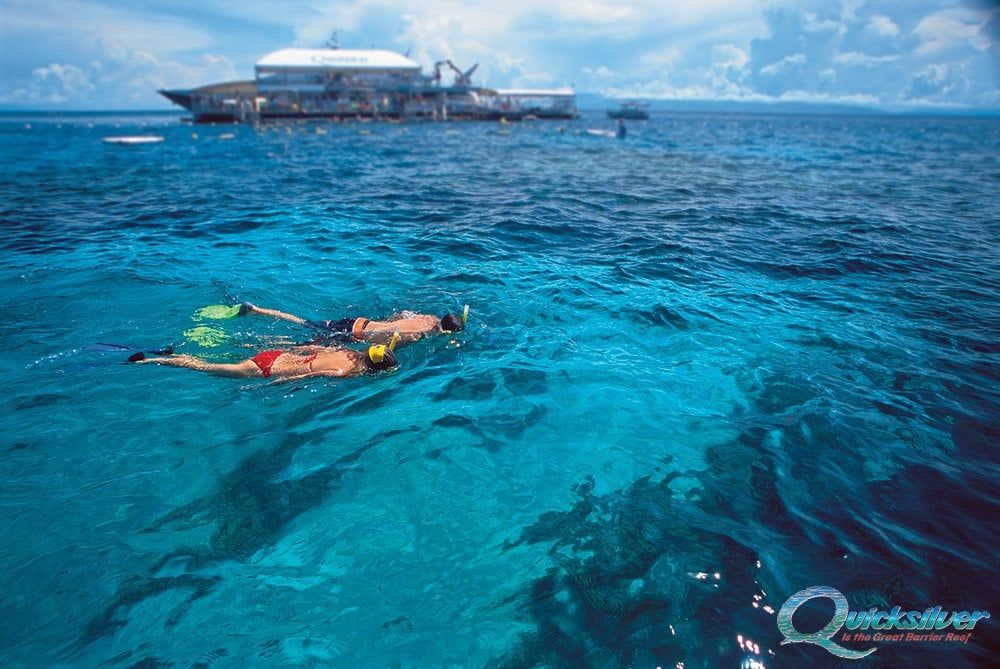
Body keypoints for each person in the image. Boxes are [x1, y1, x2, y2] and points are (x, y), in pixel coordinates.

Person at [128, 339, 398, 382]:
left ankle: (172, 354)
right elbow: (307, 376)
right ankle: (149, 362)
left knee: (211, 362)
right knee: (208, 369)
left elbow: (314, 348)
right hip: (269, 369)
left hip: (277, 355)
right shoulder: (344, 372)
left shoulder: (347, 351)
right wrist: (275, 385)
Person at [237, 302, 466, 344]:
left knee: (306, 323)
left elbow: (398, 316)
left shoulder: (425, 317)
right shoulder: (416, 336)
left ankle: (258, 310)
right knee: (302, 343)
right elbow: (385, 345)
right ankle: (257, 342)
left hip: (359, 321)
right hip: (352, 334)